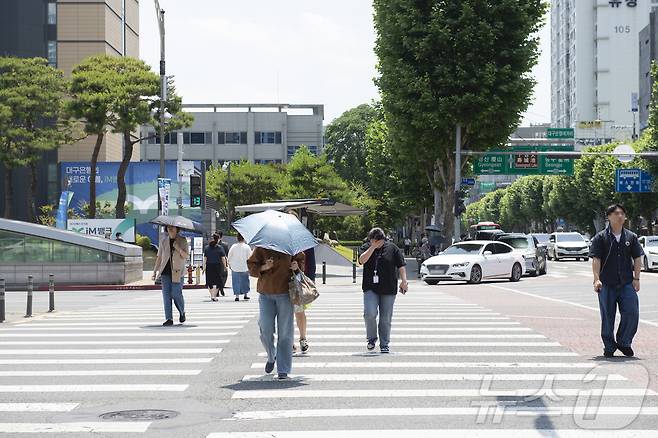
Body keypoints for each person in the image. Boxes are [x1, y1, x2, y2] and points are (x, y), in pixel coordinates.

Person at [590, 204, 644, 358]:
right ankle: (609, 346)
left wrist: (637, 278)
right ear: (608, 217)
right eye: (615, 213)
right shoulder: (601, 237)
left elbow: (637, 258)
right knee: (608, 315)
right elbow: (596, 259)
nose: (619, 216)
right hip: (607, 283)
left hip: (626, 282)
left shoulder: (631, 237)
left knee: (632, 312)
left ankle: (624, 342)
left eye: (622, 213)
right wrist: (596, 279)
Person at [248, 247, 305, 380]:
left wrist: (296, 267)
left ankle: (283, 368)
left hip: (285, 292)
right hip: (265, 292)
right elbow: (251, 266)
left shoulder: (291, 247)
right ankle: (271, 355)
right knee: (265, 329)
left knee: (285, 332)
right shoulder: (261, 247)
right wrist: (264, 267)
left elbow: (301, 262)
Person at [359, 227, 408, 353]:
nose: (375, 243)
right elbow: (361, 260)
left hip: (388, 288)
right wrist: (372, 247)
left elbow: (401, 266)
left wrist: (404, 281)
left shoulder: (392, 248)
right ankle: (371, 339)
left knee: (385, 318)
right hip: (370, 287)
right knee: (369, 313)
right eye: (372, 240)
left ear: (383, 239)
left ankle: (384, 344)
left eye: (378, 241)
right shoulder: (366, 247)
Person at [152, 225, 189, 326]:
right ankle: (169, 318)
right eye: (168, 228)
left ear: (177, 229)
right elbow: (159, 257)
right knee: (166, 296)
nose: (170, 229)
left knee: (176, 294)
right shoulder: (163, 241)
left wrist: (177, 248)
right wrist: (155, 271)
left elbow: (186, 256)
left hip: (178, 272)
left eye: (172, 228)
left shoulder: (182, 240)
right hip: (165, 272)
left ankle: (182, 312)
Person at [293, 246, 316, 353]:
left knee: (299, 312)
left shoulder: (303, 245)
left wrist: (311, 280)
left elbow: (310, 263)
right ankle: (288, 341)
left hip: (296, 283)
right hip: (280, 284)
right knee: (284, 315)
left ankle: (303, 338)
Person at [227, 233, 252, 301]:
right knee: (245, 281)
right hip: (245, 267)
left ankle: (237, 296)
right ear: (244, 238)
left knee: (236, 281)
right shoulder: (247, 247)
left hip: (235, 267)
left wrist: (229, 263)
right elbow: (250, 257)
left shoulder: (233, 246)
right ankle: (245, 294)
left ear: (237, 238)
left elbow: (229, 256)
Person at [203, 233, 227, 301]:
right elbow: (223, 258)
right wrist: (225, 266)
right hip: (217, 266)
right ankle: (214, 296)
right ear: (218, 239)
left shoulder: (207, 248)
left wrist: (204, 267)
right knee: (217, 282)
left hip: (209, 266)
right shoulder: (220, 248)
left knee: (209, 281)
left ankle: (212, 295)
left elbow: (205, 259)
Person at [216, 231, 230, 296]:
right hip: (216, 263)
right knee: (218, 276)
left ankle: (221, 287)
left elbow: (227, 254)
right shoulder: (212, 244)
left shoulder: (225, 245)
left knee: (224, 276)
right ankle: (218, 289)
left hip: (222, 263)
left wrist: (228, 263)